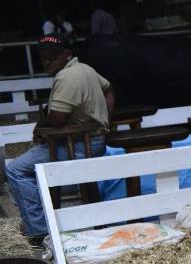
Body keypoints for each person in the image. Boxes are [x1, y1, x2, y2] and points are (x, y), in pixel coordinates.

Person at [6, 35, 113, 246]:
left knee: (16, 170)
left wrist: (40, 128)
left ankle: (39, 230)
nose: (47, 62)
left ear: (67, 55)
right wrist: (106, 121)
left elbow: (57, 119)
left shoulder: (66, 77)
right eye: (43, 58)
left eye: (52, 57)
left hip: (78, 145)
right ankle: (40, 220)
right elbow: (109, 89)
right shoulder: (85, 69)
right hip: (92, 140)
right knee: (32, 160)